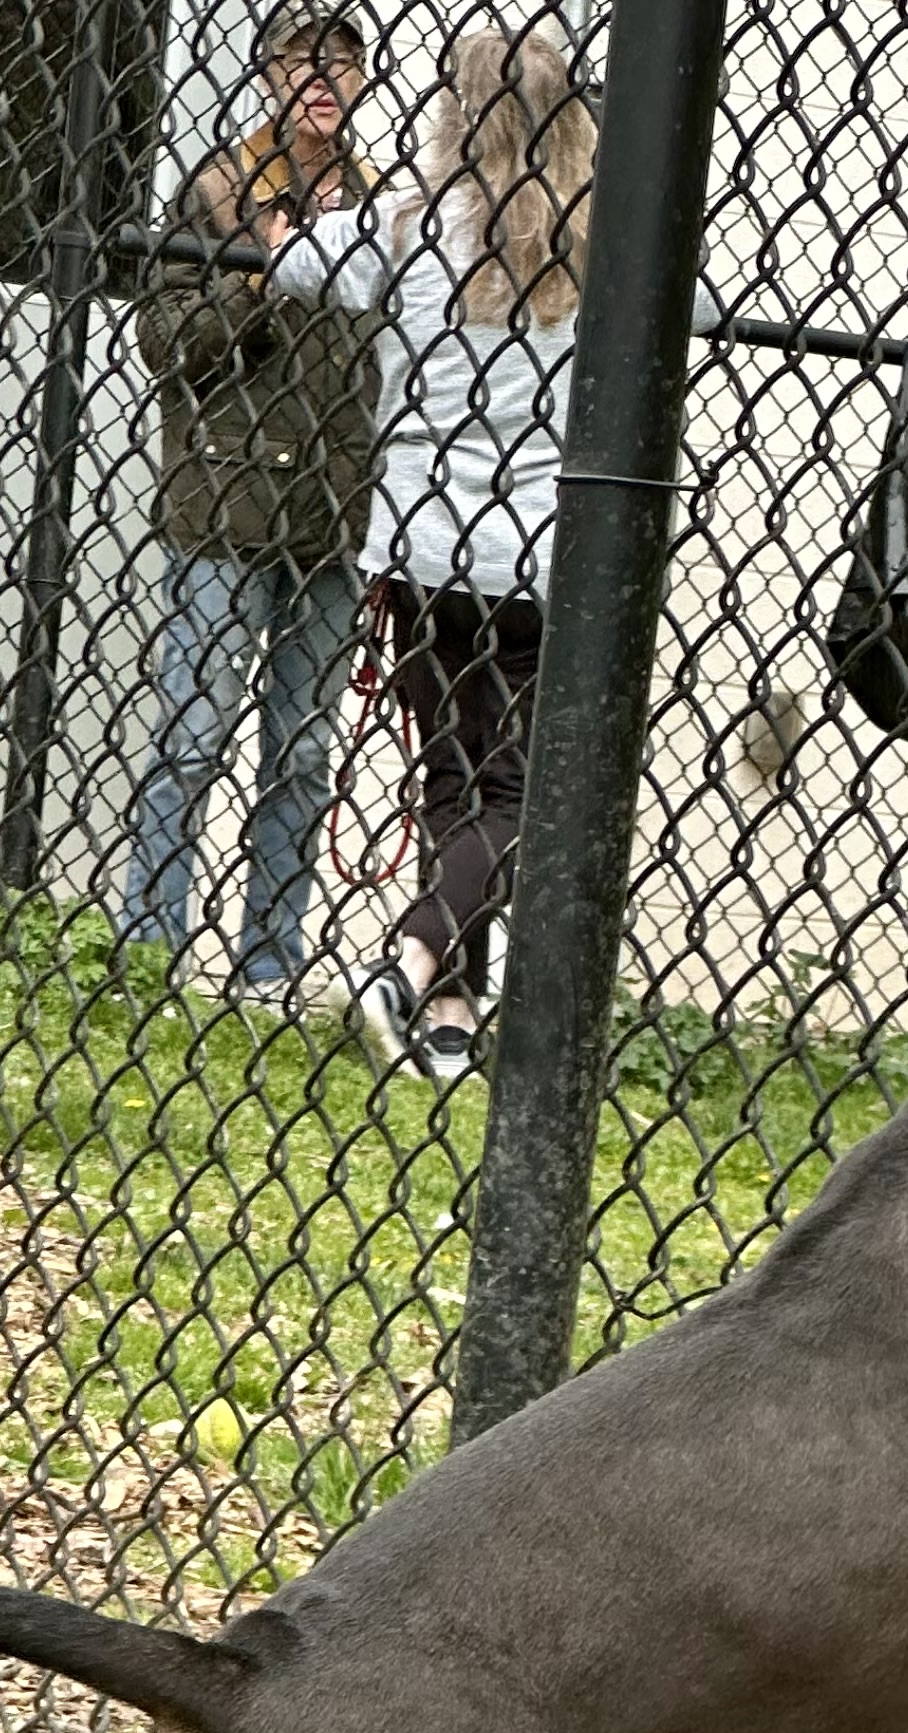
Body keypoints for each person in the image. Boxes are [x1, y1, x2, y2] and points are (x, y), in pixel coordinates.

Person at [269, 20, 595, 1085]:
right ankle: (425, 967)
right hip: (544, 552)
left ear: (458, 116)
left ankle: (447, 1006)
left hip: (419, 542)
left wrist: (298, 226)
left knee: (460, 771)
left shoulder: (411, 226)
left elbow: (304, 264)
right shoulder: (606, 239)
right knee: (524, 791)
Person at [117, 5, 381, 1002]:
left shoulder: (381, 206)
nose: (322, 77)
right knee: (190, 737)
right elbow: (165, 343)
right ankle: (150, 950)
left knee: (304, 754)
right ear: (267, 74)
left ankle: (269, 964)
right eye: (301, 60)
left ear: (362, 82)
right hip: (222, 509)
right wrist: (261, 285)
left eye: (343, 62)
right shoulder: (217, 192)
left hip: (333, 514)